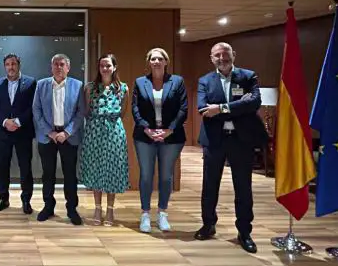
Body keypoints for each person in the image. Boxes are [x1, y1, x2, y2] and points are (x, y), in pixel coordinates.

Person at [195, 42, 266, 253]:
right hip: (214, 140)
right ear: (211, 58)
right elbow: (203, 108)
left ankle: (244, 232)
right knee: (209, 186)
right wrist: (238, 106)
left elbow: (254, 103)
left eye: (225, 54)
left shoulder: (248, 77)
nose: (222, 58)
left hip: (240, 140)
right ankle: (208, 225)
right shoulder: (205, 80)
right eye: (217, 55)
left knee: (243, 187)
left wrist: (221, 108)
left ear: (233, 55)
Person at [132, 47, 188, 233]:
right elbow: (135, 108)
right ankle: (145, 214)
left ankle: (162, 213)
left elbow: (183, 108)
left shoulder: (177, 81)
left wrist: (169, 129)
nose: (156, 62)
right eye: (153, 59)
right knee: (146, 175)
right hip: (145, 136)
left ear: (166, 62)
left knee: (166, 176)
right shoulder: (140, 82)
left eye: (159, 59)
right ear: (149, 62)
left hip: (171, 136)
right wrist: (146, 128)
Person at [33, 54, 85, 225]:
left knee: (70, 174)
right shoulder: (41, 85)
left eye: (62, 64)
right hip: (47, 136)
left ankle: (72, 209)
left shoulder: (78, 85)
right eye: (55, 64)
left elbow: (80, 112)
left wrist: (67, 132)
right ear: (51, 67)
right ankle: (48, 206)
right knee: (48, 174)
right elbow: (36, 110)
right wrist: (50, 132)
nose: (58, 67)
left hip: (69, 136)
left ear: (68, 68)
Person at [78, 54, 129, 227]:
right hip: (94, 132)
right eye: (102, 66)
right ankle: (98, 209)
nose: (105, 69)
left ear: (114, 67)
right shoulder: (90, 88)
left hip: (114, 132)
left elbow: (123, 111)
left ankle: (110, 209)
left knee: (112, 169)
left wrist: (110, 121)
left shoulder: (123, 88)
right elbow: (86, 111)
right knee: (95, 168)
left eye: (108, 65)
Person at [0, 54, 37, 214]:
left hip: (23, 131)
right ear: (5, 66)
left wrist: (17, 122)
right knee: (2, 167)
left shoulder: (30, 82)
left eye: (13, 64)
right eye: (8, 64)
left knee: (25, 167)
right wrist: (5, 122)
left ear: (19, 65)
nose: (11, 67)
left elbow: (32, 106)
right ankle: (3, 198)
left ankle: (26, 200)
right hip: (3, 132)